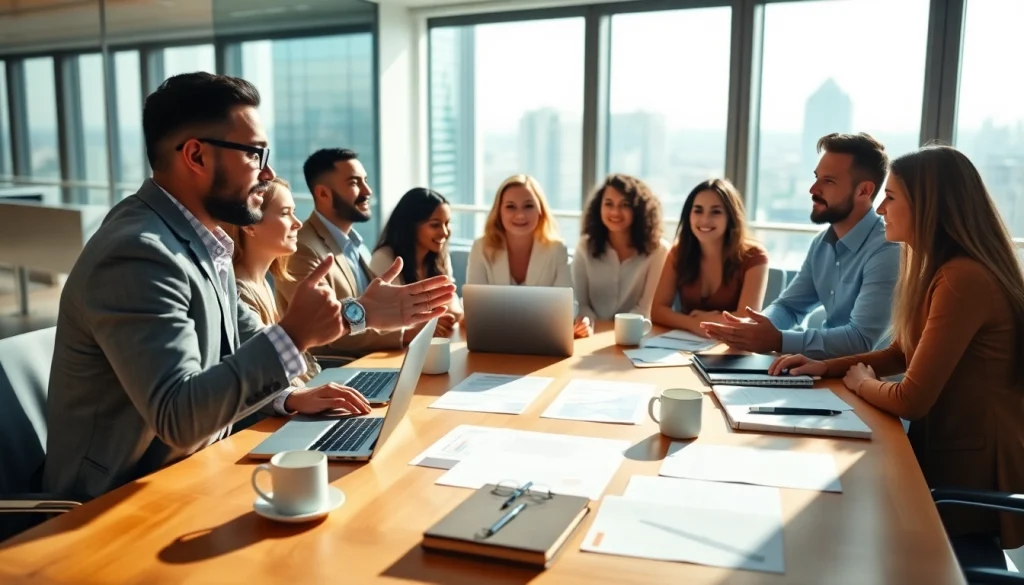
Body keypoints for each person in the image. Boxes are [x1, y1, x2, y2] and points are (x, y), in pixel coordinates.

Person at [43, 73, 454, 500]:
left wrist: (360, 314)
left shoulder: (203, 241)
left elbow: (249, 349)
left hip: (194, 475)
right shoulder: (138, 252)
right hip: (114, 503)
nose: (269, 172)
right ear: (197, 156)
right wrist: (296, 334)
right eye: (256, 154)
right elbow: (179, 415)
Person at [769, 145, 1024, 565]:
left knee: (838, 527)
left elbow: (911, 399)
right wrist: (824, 367)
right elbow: (902, 350)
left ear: (927, 207)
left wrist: (862, 383)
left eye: (891, 198)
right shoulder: (937, 268)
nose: (881, 209)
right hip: (941, 458)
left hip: (963, 477)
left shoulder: (963, 278)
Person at [702, 133, 899, 358]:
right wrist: (755, 328)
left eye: (829, 181)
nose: (813, 189)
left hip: (870, 381)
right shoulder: (821, 243)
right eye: (817, 178)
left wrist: (778, 340)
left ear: (864, 190)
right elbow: (789, 307)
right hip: (821, 370)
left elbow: (861, 340)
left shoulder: (887, 250)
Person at [222, 176, 371, 416]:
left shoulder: (261, 284)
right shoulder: (239, 292)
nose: (298, 223)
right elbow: (256, 377)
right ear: (249, 225)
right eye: (285, 213)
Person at [277, 148, 428, 359]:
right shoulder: (301, 248)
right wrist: (404, 334)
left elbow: (369, 316)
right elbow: (324, 327)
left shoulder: (356, 245)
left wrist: (414, 320)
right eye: (354, 183)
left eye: (365, 180)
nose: (367, 191)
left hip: (369, 360)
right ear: (323, 194)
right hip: (330, 370)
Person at [466, 175, 588, 337]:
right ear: (499, 211)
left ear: (540, 210)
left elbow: (567, 309)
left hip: (543, 338)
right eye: (510, 207)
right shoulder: (481, 248)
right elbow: (475, 308)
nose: (520, 215)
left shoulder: (557, 249)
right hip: (494, 338)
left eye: (528, 206)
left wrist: (579, 324)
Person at [650, 178, 768, 337]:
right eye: (698, 210)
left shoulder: (754, 256)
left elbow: (746, 319)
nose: (705, 220)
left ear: (731, 217)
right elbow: (657, 311)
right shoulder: (679, 252)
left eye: (716, 212)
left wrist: (704, 320)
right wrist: (693, 323)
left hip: (733, 349)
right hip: (684, 345)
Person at [572, 174, 669, 333]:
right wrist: (586, 323)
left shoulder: (658, 251)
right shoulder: (585, 246)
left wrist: (618, 331)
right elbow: (582, 304)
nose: (615, 212)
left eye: (625, 205)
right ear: (599, 207)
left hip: (635, 337)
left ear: (638, 210)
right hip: (592, 336)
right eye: (608, 204)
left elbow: (645, 309)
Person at [370, 187, 462, 337]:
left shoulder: (440, 256)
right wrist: (432, 321)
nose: (445, 232)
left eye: (447, 223)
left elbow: (451, 299)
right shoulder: (384, 258)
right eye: (435, 224)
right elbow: (388, 318)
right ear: (410, 225)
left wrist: (456, 314)